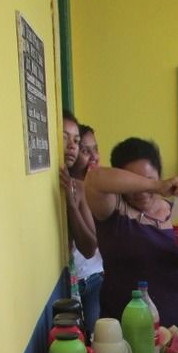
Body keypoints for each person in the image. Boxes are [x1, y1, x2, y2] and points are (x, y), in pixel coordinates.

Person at [84, 137, 178, 333]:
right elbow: (94, 178)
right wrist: (153, 186)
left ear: (159, 175)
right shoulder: (114, 211)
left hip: (174, 329)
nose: (142, 191)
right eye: (135, 183)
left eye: (149, 179)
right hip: (121, 331)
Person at [59, 112, 99, 336]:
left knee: (93, 340)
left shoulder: (80, 187)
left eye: (76, 140)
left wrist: (72, 206)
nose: (72, 146)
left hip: (91, 280)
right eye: (65, 137)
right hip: (65, 282)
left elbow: (90, 247)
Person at [69, 123, 103, 337]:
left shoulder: (100, 187)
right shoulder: (70, 187)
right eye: (85, 151)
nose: (94, 157)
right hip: (74, 281)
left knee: (96, 338)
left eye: (95, 149)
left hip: (96, 277)